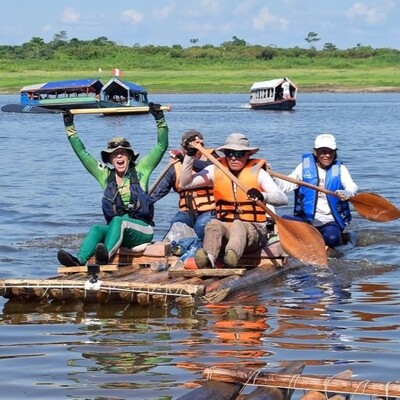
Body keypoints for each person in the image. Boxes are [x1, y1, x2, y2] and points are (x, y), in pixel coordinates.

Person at [57, 102, 169, 267]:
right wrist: (69, 125)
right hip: (118, 230)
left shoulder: (142, 170)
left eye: (123, 153)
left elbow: (161, 146)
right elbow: (82, 154)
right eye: (114, 154)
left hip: (142, 230)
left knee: (117, 221)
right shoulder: (104, 176)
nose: (119, 157)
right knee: (97, 228)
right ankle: (79, 260)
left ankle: (104, 258)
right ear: (109, 159)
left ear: (129, 156)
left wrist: (159, 118)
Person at [179, 133, 288, 268]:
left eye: (239, 154)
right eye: (230, 153)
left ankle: (232, 258)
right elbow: (185, 184)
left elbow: (283, 199)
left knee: (238, 224)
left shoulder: (259, 173)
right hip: (227, 229)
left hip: (253, 233)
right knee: (213, 224)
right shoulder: (215, 169)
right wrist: (189, 155)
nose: (233, 158)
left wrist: (262, 196)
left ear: (248, 155)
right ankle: (209, 259)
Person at [274, 133, 358, 249]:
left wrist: (347, 193)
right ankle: (311, 238)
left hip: (329, 221)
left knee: (331, 239)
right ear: (315, 152)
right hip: (307, 220)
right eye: (323, 151)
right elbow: (286, 185)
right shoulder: (304, 167)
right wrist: (272, 178)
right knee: (281, 221)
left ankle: (337, 238)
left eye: (331, 152)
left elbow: (352, 186)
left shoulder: (340, 169)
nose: (327, 155)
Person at [150, 130, 217, 241]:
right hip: (186, 211)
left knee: (201, 227)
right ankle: (176, 250)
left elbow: (208, 168)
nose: (191, 150)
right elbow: (158, 191)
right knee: (177, 225)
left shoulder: (213, 160)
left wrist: (185, 159)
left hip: (210, 211)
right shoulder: (175, 166)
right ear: (182, 147)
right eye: (187, 147)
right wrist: (143, 203)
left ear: (202, 145)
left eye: (195, 146)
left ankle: (203, 253)